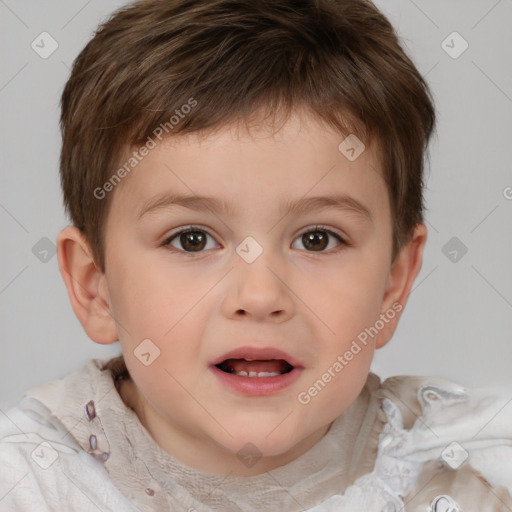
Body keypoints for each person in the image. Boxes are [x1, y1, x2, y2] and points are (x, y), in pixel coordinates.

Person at [1, 0, 511, 510]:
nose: (261, 295)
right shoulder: (28, 484)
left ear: (392, 285)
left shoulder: (467, 476)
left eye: (317, 239)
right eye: (192, 239)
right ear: (96, 287)